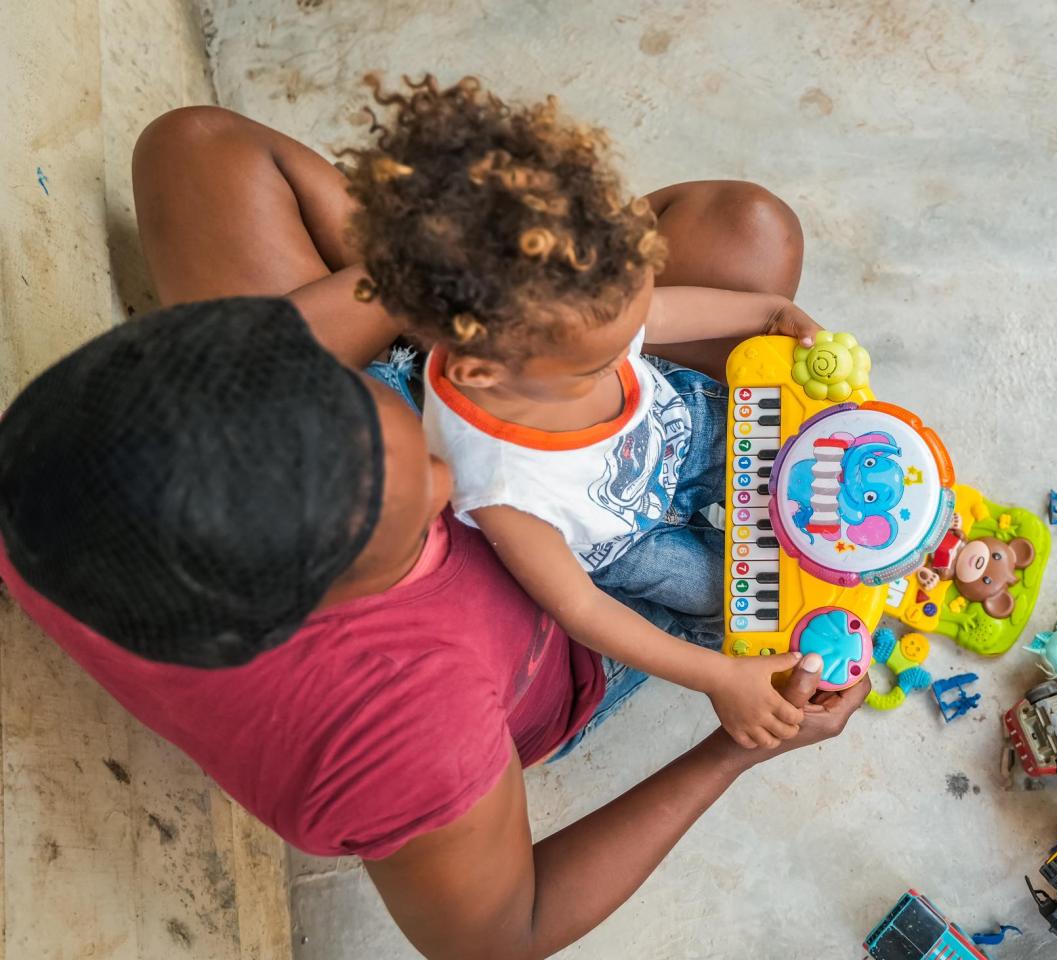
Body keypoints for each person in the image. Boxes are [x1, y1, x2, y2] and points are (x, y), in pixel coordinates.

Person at [0, 103, 867, 960]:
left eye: (363, 399)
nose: (454, 480)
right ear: (324, 604)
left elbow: (229, 231)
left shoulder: (77, 452)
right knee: (786, 581)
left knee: (741, 233)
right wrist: (730, 748)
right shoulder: (402, 731)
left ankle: (530, 346)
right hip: (585, 614)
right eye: (426, 506)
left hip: (438, 413)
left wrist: (478, 293)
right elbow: (499, 934)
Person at [340, 75, 815, 750]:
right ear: (482, 372)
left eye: (629, 328)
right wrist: (717, 676)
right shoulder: (498, 480)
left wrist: (768, 313)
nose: (627, 352)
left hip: (680, 424)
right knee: (729, 601)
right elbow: (580, 606)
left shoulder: (574, 310)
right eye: (597, 365)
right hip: (629, 548)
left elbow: (663, 314)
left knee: (797, 450)